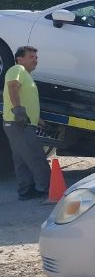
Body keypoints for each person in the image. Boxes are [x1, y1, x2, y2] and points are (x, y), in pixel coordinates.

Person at [2, 46, 51, 200]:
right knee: (36, 156)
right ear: (19, 59)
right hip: (18, 122)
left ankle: (25, 190)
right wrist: (18, 111)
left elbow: (27, 99)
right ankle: (44, 187)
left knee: (21, 159)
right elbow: (12, 87)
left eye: (36, 57)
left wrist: (38, 120)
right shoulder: (17, 69)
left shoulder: (27, 76)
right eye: (31, 57)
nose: (35, 60)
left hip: (19, 123)